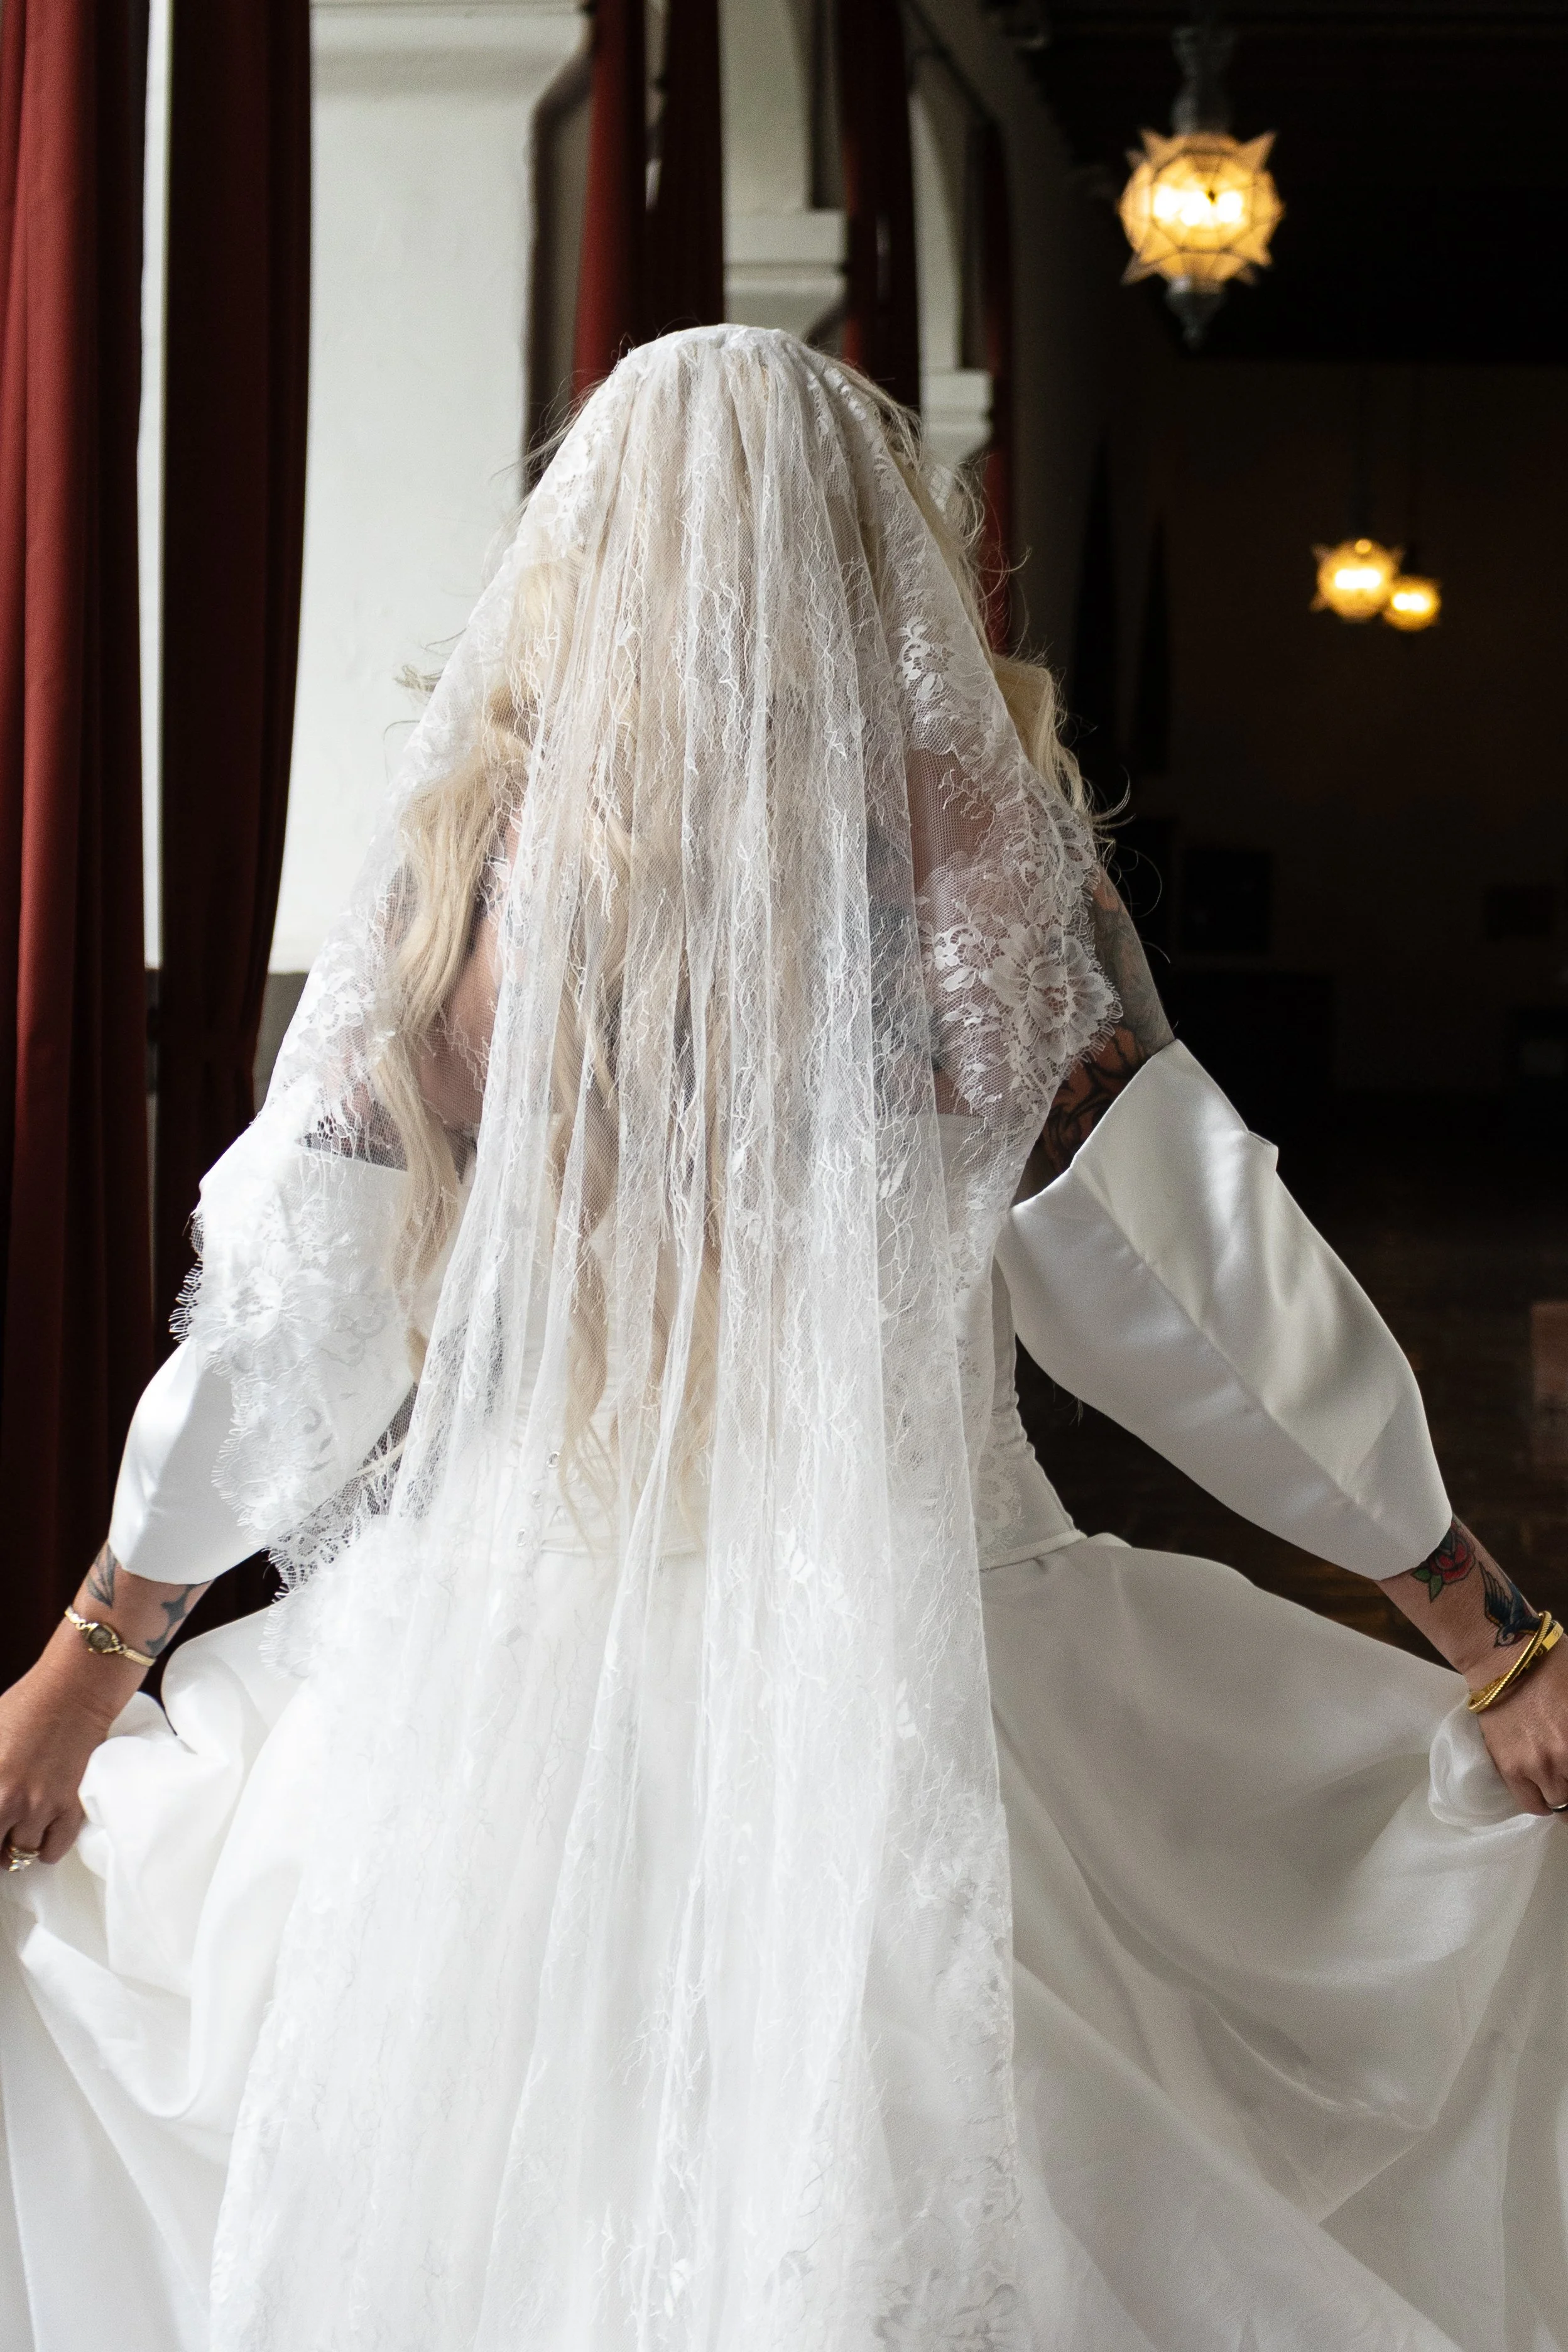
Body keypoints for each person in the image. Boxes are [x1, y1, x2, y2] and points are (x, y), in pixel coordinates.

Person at [1, 326, 1564, 2352]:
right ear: (879, 549)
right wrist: (1484, 1622)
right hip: (908, 1641)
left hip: (482, 1676)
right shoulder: (963, 851)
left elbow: (295, 1320)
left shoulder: (463, 861)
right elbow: (1177, 1280)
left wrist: (87, 1654)